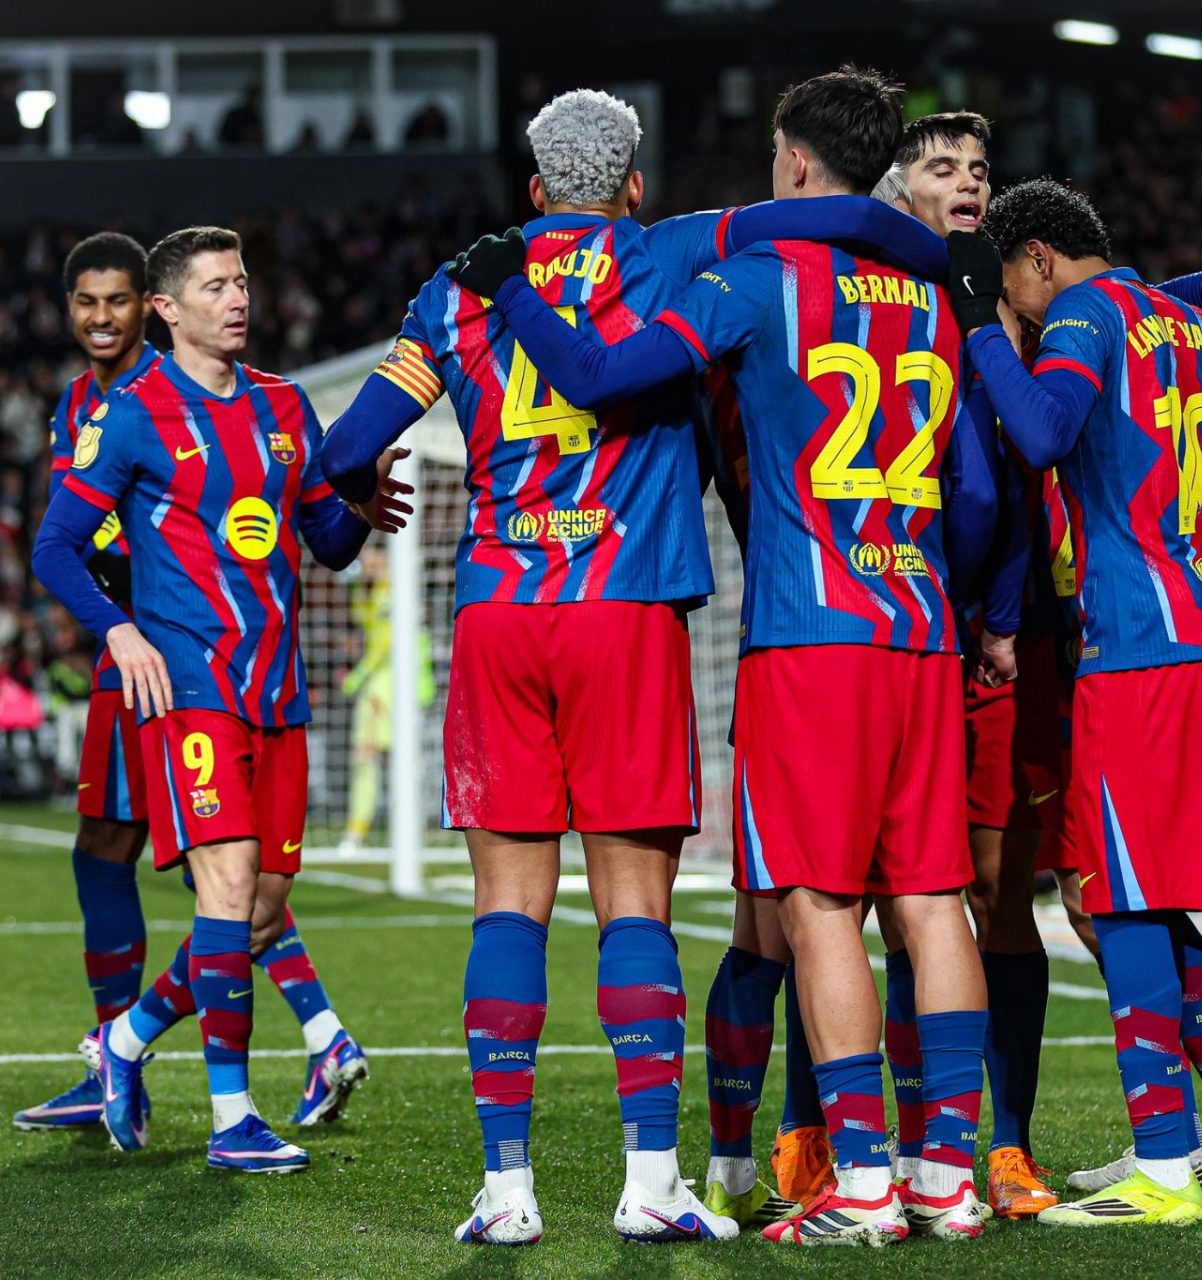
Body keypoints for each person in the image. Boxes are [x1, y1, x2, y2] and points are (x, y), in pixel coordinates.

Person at [320, 87, 937, 1246]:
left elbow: (343, 452)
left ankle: (507, 1188)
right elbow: (851, 223)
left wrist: (350, 509)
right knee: (635, 909)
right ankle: (651, 1178)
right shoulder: (673, 250)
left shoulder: (458, 289)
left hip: (502, 612)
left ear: (534, 189)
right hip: (628, 609)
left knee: (507, 907)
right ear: (635, 186)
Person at [465, 66, 1002, 1246]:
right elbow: (974, 489)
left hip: (812, 633)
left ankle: (864, 1180)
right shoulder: (935, 294)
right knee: (932, 900)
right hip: (921, 625)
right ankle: (946, 1174)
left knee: (816, 902)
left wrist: (510, 287)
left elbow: (598, 376)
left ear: (795, 160)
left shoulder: (757, 279)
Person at [949, 178, 1202, 1226]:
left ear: (1037, 258)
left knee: (1113, 896)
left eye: (1014, 287)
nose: (1019, 310)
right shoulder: (1185, 322)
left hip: (1140, 640)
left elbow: (1041, 431)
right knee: (1138, 891)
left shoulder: (1079, 311)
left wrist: (980, 329)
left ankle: (1163, 1160)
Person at [31, 226, 404, 1173]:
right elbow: (55, 546)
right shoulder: (132, 414)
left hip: (278, 690)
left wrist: (360, 509)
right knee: (228, 888)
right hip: (191, 687)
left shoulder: (285, 405)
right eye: (214, 287)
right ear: (167, 308)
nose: (237, 299)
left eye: (241, 282)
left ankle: (124, 1042)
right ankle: (233, 1118)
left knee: (261, 914)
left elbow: (324, 543)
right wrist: (119, 631)